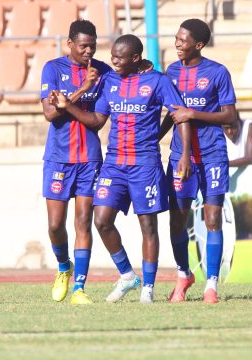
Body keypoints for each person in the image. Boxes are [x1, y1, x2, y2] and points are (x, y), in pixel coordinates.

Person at [49, 34, 192, 303]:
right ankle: (127, 275)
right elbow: (96, 119)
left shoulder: (158, 81)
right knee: (101, 220)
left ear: (135, 58)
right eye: (112, 56)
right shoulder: (111, 81)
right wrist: (69, 106)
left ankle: (148, 288)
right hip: (114, 163)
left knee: (148, 225)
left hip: (145, 164)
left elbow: (181, 116)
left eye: (119, 58)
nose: (113, 61)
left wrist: (184, 154)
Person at [160, 19, 236, 304]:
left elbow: (230, 116)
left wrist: (193, 114)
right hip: (181, 157)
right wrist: (154, 137)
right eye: (177, 38)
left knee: (212, 218)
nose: (177, 44)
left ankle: (211, 284)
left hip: (212, 154)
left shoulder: (217, 72)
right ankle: (183, 274)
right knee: (177, 221)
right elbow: (172, 115)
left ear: (199, 45)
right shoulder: (171, 72)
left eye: (183, 40)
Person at [40, 20, 112, 305]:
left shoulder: (103, 72)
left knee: (83, 222)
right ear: (70, 43)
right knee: (55, 225)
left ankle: (80, 288)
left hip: (89, 159)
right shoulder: (53, 69)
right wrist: (83, 89)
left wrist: (67, 103)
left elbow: (98, 121)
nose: (88, 51)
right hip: (59, 158)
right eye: (83, 46)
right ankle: (63, 267)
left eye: (93, 46)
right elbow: (50, 113)